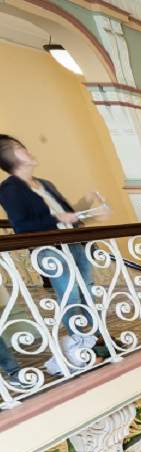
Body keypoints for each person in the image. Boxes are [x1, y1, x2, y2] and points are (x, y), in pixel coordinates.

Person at [0, 135, 106, 375]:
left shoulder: (45, 184)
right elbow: (22, 226)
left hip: (73, 243)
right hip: (49, 249)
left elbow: (69, 214)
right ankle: (82, 344)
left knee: (87, 290)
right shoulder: (9, 189)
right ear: (8, 156)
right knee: (70, 294)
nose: (27, 150)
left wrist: (88, 204)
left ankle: (97, 339)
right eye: (19, 148)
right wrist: (56, 219)